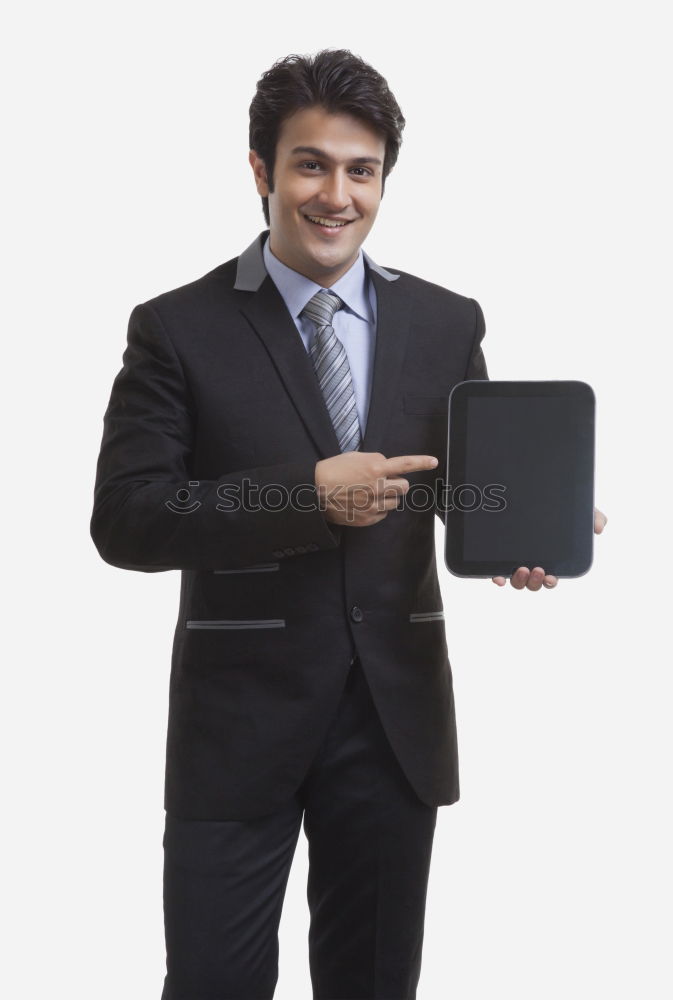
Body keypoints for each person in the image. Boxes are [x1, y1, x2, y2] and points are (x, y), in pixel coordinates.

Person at [90, 48, 607, 1000]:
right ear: (261, 171)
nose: (337, 195)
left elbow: (453, 485)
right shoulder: (177, 327)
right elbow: (129, 518)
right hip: (236, 723)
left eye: (360, 170)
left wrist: (525, 522)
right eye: (311, 164)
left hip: (392, 718)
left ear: (382, 180)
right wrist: (301, 495)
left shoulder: (446, 320)